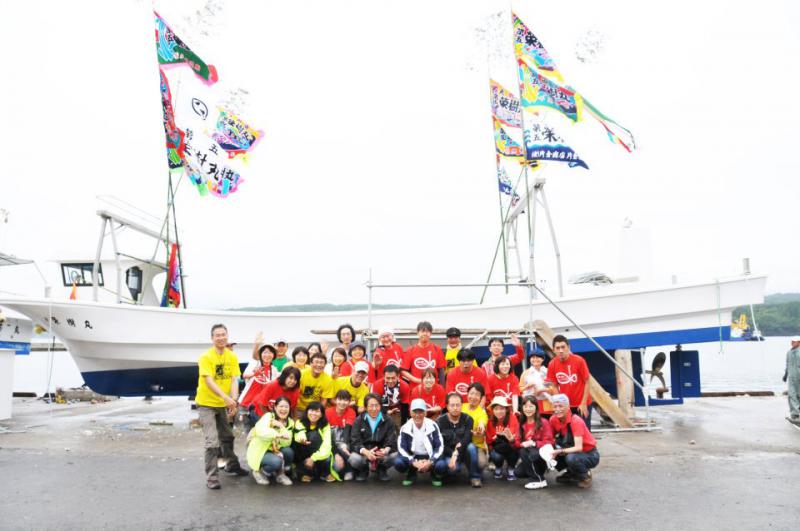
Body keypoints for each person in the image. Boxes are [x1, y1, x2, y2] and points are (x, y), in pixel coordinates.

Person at [195, 324, 247, 489]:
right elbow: (208, 381)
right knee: (212, 442)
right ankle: (212, 477)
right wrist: (226, 398)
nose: (221, 338)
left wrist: (234, 400)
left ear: (227, 336)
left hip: (223, 403)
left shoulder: (231, 356)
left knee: (228, 436)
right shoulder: (206, 357)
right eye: (217, 335)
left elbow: (234, 379)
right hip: (206, 404)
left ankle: (232, 464)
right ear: (212, 338)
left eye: (223, 334)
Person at [549, 394, 598, 488]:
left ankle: (585, 475)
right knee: (549, 454)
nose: (557, 409)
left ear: (568, 407)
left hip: (589, 454)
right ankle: (571, 473)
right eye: (555, 406)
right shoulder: (553, 419)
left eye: (561, 406)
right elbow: (550, 438)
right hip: (570, 449)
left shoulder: (576, 421)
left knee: (571, 458)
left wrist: (559, 451)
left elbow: (579, 448)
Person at [435, 392, 482, 487]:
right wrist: (452, 454)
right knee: (453, 470)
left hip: (463, 451)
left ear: (462, 406)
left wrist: (456, 453)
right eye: (452, 405)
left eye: (458, 405)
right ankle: (444, 473)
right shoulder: (440, 421)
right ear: (447, 407)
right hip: (448, 452)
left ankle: (475, 477)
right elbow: (441, 444)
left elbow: (467, 439)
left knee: (471, 447)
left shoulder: (468, 419)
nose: (455, 408)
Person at [246, 396, 294, 486]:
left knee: (288, 452)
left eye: (286, 407)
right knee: (276, 462)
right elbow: (261, 432)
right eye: (281, 406)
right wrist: (276, 434)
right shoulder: (268, 416)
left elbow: (287, 442)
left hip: (275, 449)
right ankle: (260, 472)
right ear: (275, 407)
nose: (283, 409)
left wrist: (281, 427)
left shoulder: (290, 422)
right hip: (260, 450)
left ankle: (280, 474)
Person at [348, 393, 398, 481]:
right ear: (365, 407)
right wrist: (365, 452)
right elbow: (355, 440)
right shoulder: (359, 420)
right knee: (353, 458)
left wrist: (385, 450)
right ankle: (364, 470)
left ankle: (381, 469)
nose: (374, 409)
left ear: (380, 406)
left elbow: (391, 439)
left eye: (377, 405)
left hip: (381, 453)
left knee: (397, 456)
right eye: (371, 406)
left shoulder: (388, 420)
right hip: (365, 452)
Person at [396, 398, 445, 486]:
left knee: (441, 465)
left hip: (429, 456)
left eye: (421, 412)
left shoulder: (433, 425)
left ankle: (435, 475)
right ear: (410, 413)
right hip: (413, 456)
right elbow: (402, 448)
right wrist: (413, 462)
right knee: (398, 463)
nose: (417, 415)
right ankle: (410, 473)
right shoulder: (405, 427)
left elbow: (439, 446)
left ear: (425, 413)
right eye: (415, 412)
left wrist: (431, 461)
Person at [546, 335, 593, 428]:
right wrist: (560, 405)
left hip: (582, 404)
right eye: (557, 348)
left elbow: (587, 382)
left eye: (563, 347)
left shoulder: (579, 360)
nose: (561, 350)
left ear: (568, 347)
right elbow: (554, 386)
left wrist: (583, 403)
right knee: (569, 432)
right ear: (553, 350)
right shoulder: (552, 364)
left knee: (584, 432)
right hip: (566, 406)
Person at [515, 396, 556, 490]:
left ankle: (538, 480)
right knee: (518, 472)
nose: (528, 409)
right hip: (529, 454)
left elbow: (550, 441)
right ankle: (537, 474)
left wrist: (533, 443)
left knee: (525, 452)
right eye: (525, 406)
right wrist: (514, 441)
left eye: (531, 406)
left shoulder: (543, 422)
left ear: (536, 408)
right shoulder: (521, 423)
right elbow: (518, 443)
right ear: (522, 408)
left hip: (541, 454)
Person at [239, 339, 278, 430]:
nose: (267, 355)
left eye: (270, 352)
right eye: (265, 352)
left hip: (261, 406)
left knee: (261, 431)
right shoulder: (255, 363)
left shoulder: (274, 369)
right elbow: (244, 375)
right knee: (249, 432)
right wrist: (254, 373)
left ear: (273, 355)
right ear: (260, 354)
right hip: (247, 403)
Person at [293, 401, 337, 482]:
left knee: (327, 457)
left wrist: (313, 458)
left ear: (321, 414)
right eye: (311, 410)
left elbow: (326, 445)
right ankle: (306, 473)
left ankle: (323, 473)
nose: (313, 413)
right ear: (307, 411)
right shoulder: (300, 422)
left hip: (318, 452)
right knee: (311, 437)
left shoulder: (325, 425)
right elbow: (299, 433)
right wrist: (302, 439)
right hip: (303, 451)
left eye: (317, 411)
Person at [402, 321, 445, 387]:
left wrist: (442, 387)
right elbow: (403, 371)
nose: (425, 334)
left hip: (433, 387)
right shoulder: (410, 350)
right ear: (417, 333)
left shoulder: (437, 349)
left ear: (431, 333)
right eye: (422, 331)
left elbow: (441, 371)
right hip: (416, 388)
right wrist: (417, 380)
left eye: (427, 331)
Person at [486, 396, 519, 480]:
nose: (499, 411)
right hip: (497, 447)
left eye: (501, 408)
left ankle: (511, 467)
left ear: (506, 409)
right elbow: (489, 441)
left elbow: (514, 436)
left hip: (510, 446)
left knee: (515, 450)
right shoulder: (490, 421)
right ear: (493, 410)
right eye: (496, 409)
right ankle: (498, 466)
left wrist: (507, 437)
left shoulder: (512, 417)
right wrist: (496, 437)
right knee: (496, 455)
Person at [326, 390, 356, 480]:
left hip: (343, 441)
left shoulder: (351, 412)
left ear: (349, 402)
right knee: (337, 467)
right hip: (330, 442)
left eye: (346, 400)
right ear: (335, 400)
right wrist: (336, 452)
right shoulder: (328, 412)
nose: (342, 403)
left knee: (345, 448)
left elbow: (347, 430)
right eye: (340, 399)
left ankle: (349, 470)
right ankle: (346, 469)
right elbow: (326, 435)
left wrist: (344, 445)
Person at [461, 382, 489, 473]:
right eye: (471, 393)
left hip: (476, 445)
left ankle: (474, 473)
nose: (473, 397)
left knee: (481, 463)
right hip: (459, 443)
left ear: (481, 398)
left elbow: (482, 423)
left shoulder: (482, 413)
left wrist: (480, 430)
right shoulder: (461, 407)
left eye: (477, 394)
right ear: (467, 394)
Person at [296, 351, 335, 416]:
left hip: (315, 409)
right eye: (316, 362)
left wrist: (318, 413)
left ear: (325, 365)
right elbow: (295, 394)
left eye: (321, 363)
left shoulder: (328, 379)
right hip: (300, 408)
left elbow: (324, 400)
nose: (319, 365)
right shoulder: (301, 374)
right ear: (310, 363)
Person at [784, 336, 800, 423]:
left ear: (799, 342)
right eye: (792, 341)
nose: (792, 343)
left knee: (798, 395)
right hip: (791, 377)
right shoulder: (789, 353)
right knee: (792, 395)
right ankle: (795, 414)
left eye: (794, 342)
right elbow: (787, 364)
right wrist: (785, 375)